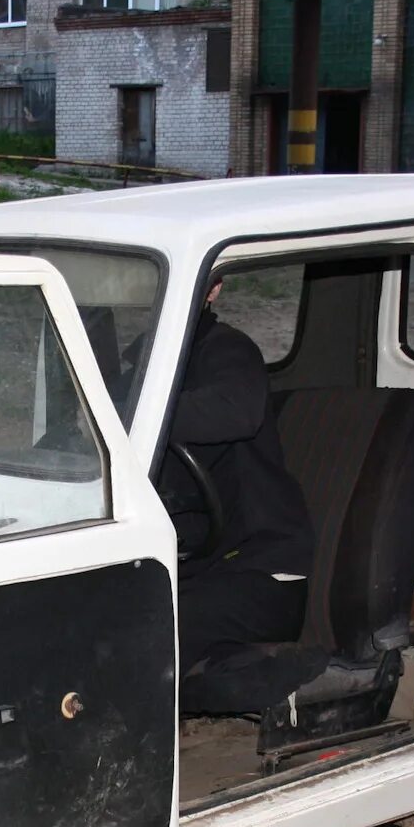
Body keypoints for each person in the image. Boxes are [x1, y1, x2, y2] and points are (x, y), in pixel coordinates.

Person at [159, 282, 317, 697]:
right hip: (192, 563)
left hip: (259, 572)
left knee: (150, 634)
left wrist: (129, 414)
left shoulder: (226, 349)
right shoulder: (144, 358)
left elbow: (237, 412)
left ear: (213, 289)